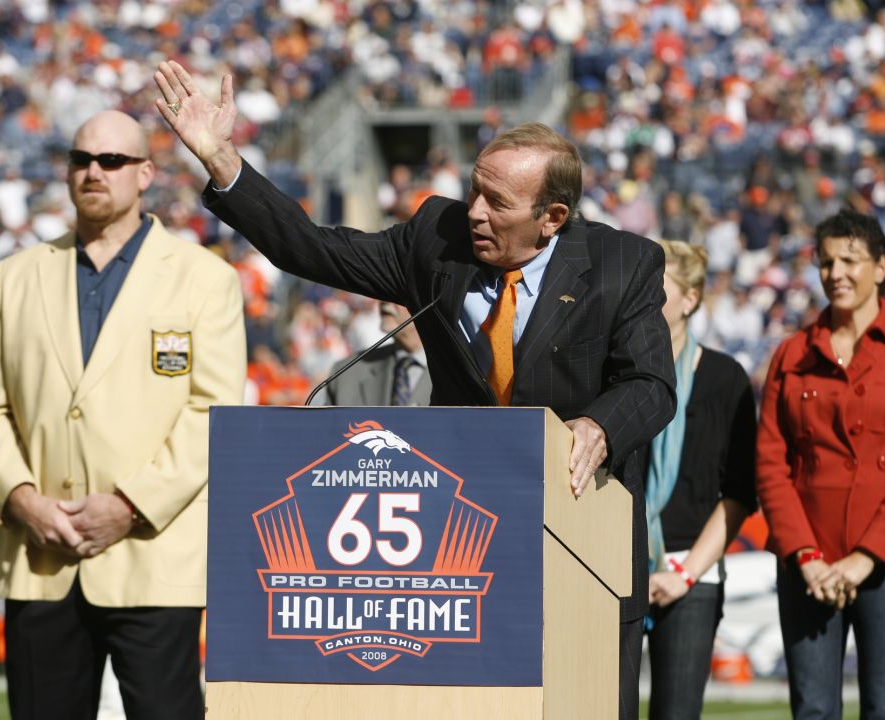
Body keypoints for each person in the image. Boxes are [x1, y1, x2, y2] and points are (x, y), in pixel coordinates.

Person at [153, 60, 676, 719]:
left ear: (553, 217)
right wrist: (223, 159)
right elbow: (312, 249)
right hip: (461, 558)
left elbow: (651, 384)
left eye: (498, 203)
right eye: (474, 190)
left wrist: (598, 428)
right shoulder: (436, 238)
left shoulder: (621, 264)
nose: (476, 213)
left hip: (581, 545)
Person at [0, 110, 246, 720]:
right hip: (41, 551)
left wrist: (128, 505)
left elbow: (214, 412)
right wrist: (20, 499)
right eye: (81, 159)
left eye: (111, 160)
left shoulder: (205, 279)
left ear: (145, 173)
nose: (94, 172)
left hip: (152, 548)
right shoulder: (16, 277)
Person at [757, 209, 885, 719]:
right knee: (813, 710)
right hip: (806, 567)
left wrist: (868, 557)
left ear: (881, 267)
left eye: (850, 260)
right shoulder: (792, 355)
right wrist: (806, 555)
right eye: (825, 261)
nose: (835, 272)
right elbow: (771, 463)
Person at [641, 241, 757, 719]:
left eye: (657, 289)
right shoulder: (617, 370)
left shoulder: (726, 379)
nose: (643, 298)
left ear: (689, 300)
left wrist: (684, 575)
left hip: (693, 570)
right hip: (617, 566)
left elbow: (738, 493)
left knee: (678, 712)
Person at [312, 301, 432, 406]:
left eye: (398, 295)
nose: (384, 301)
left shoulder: (450, 369)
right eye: (383, 292)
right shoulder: (346, 373)